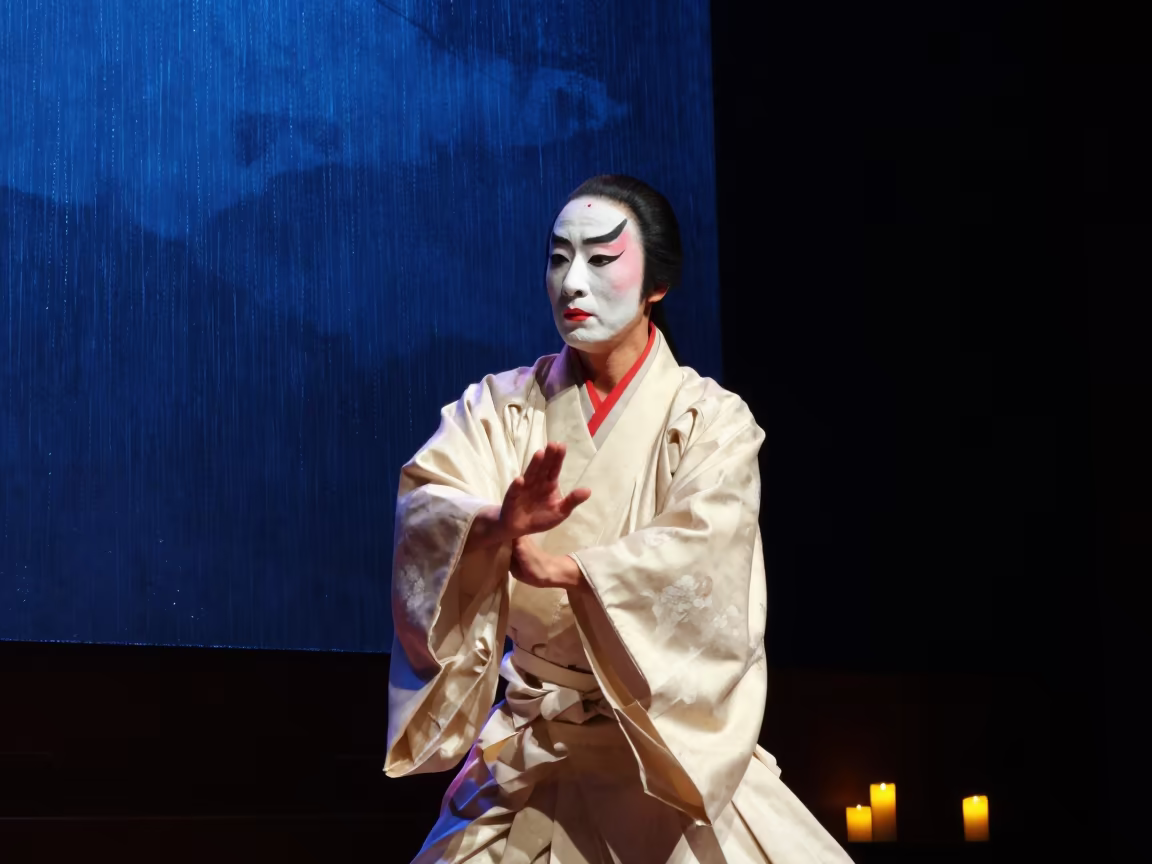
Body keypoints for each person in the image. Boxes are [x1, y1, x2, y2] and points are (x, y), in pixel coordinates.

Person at [386, 175, 854, 863]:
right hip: (530, 747)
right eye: (558, 257)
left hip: (663, 752)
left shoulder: (710, 422)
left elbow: (707, 550)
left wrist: (574, 570)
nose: (573, 282)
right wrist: (491, 525)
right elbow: (431, 504)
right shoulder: (500, 408)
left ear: (657, 282)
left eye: (602, 259)